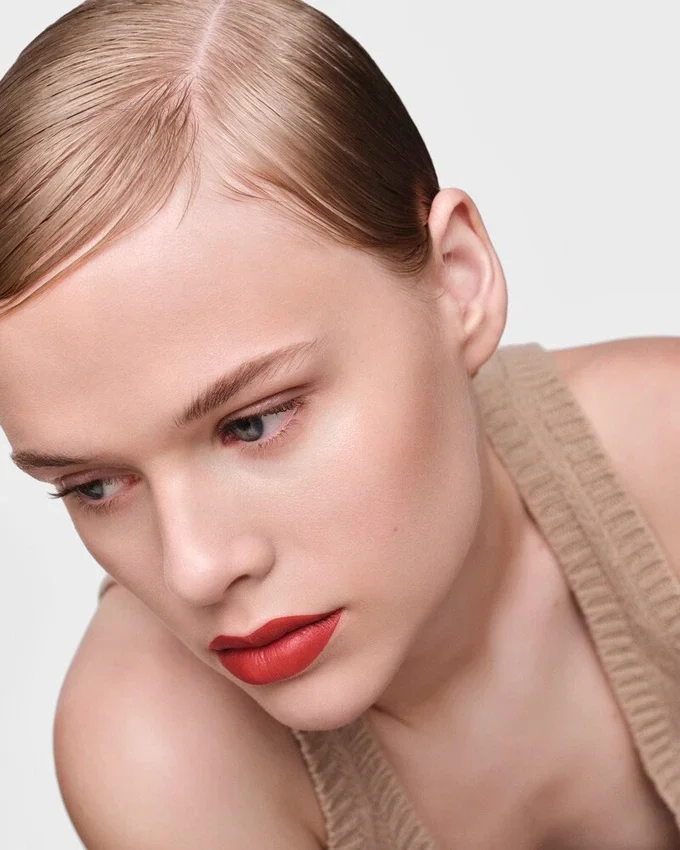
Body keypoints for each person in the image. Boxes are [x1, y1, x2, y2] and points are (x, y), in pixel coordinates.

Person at [1, 0, 678, 847]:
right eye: (96, 486)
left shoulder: (665, 452)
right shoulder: (155, 750)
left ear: (458, 280)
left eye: (255, 424)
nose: (196, 568)